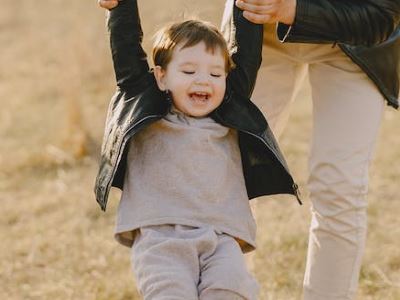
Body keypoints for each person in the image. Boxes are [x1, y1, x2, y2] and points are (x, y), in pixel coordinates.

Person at [95, 0, 300, 299]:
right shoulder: (147, 105)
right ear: (161, 76)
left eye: (216, 74)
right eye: (189, 71)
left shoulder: (230, 110)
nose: (204, 80)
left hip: (222, 239)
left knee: (232, 289)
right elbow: (125, 46)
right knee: (171, 292)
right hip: (160, 238)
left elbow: (247, 52)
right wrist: (121, 6)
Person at [227, 0, 400, 299]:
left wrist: (292, 9)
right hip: (261, 28)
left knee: (339, 186)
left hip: (354, 39)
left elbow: (383, 15)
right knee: (226, 170)